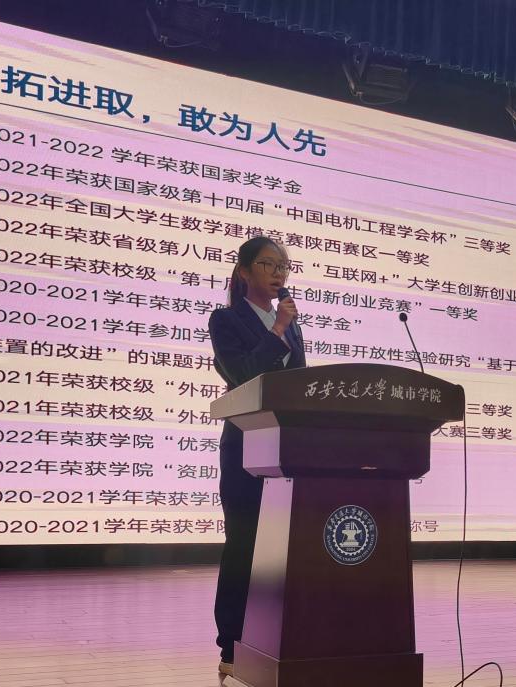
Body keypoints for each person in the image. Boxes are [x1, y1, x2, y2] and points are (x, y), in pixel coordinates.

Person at [208, 236, 306, 682]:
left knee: (285, 551)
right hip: (246, 447)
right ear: (244, 272)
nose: (278, 273)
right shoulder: (226, 320)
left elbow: (299, 384)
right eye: (268, 264)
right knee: (244, 546)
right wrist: (278, 331)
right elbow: (243, 375)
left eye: (283, 266)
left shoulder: (292, 323)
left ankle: (278, 638)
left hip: (288, 449)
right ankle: (231, 644)